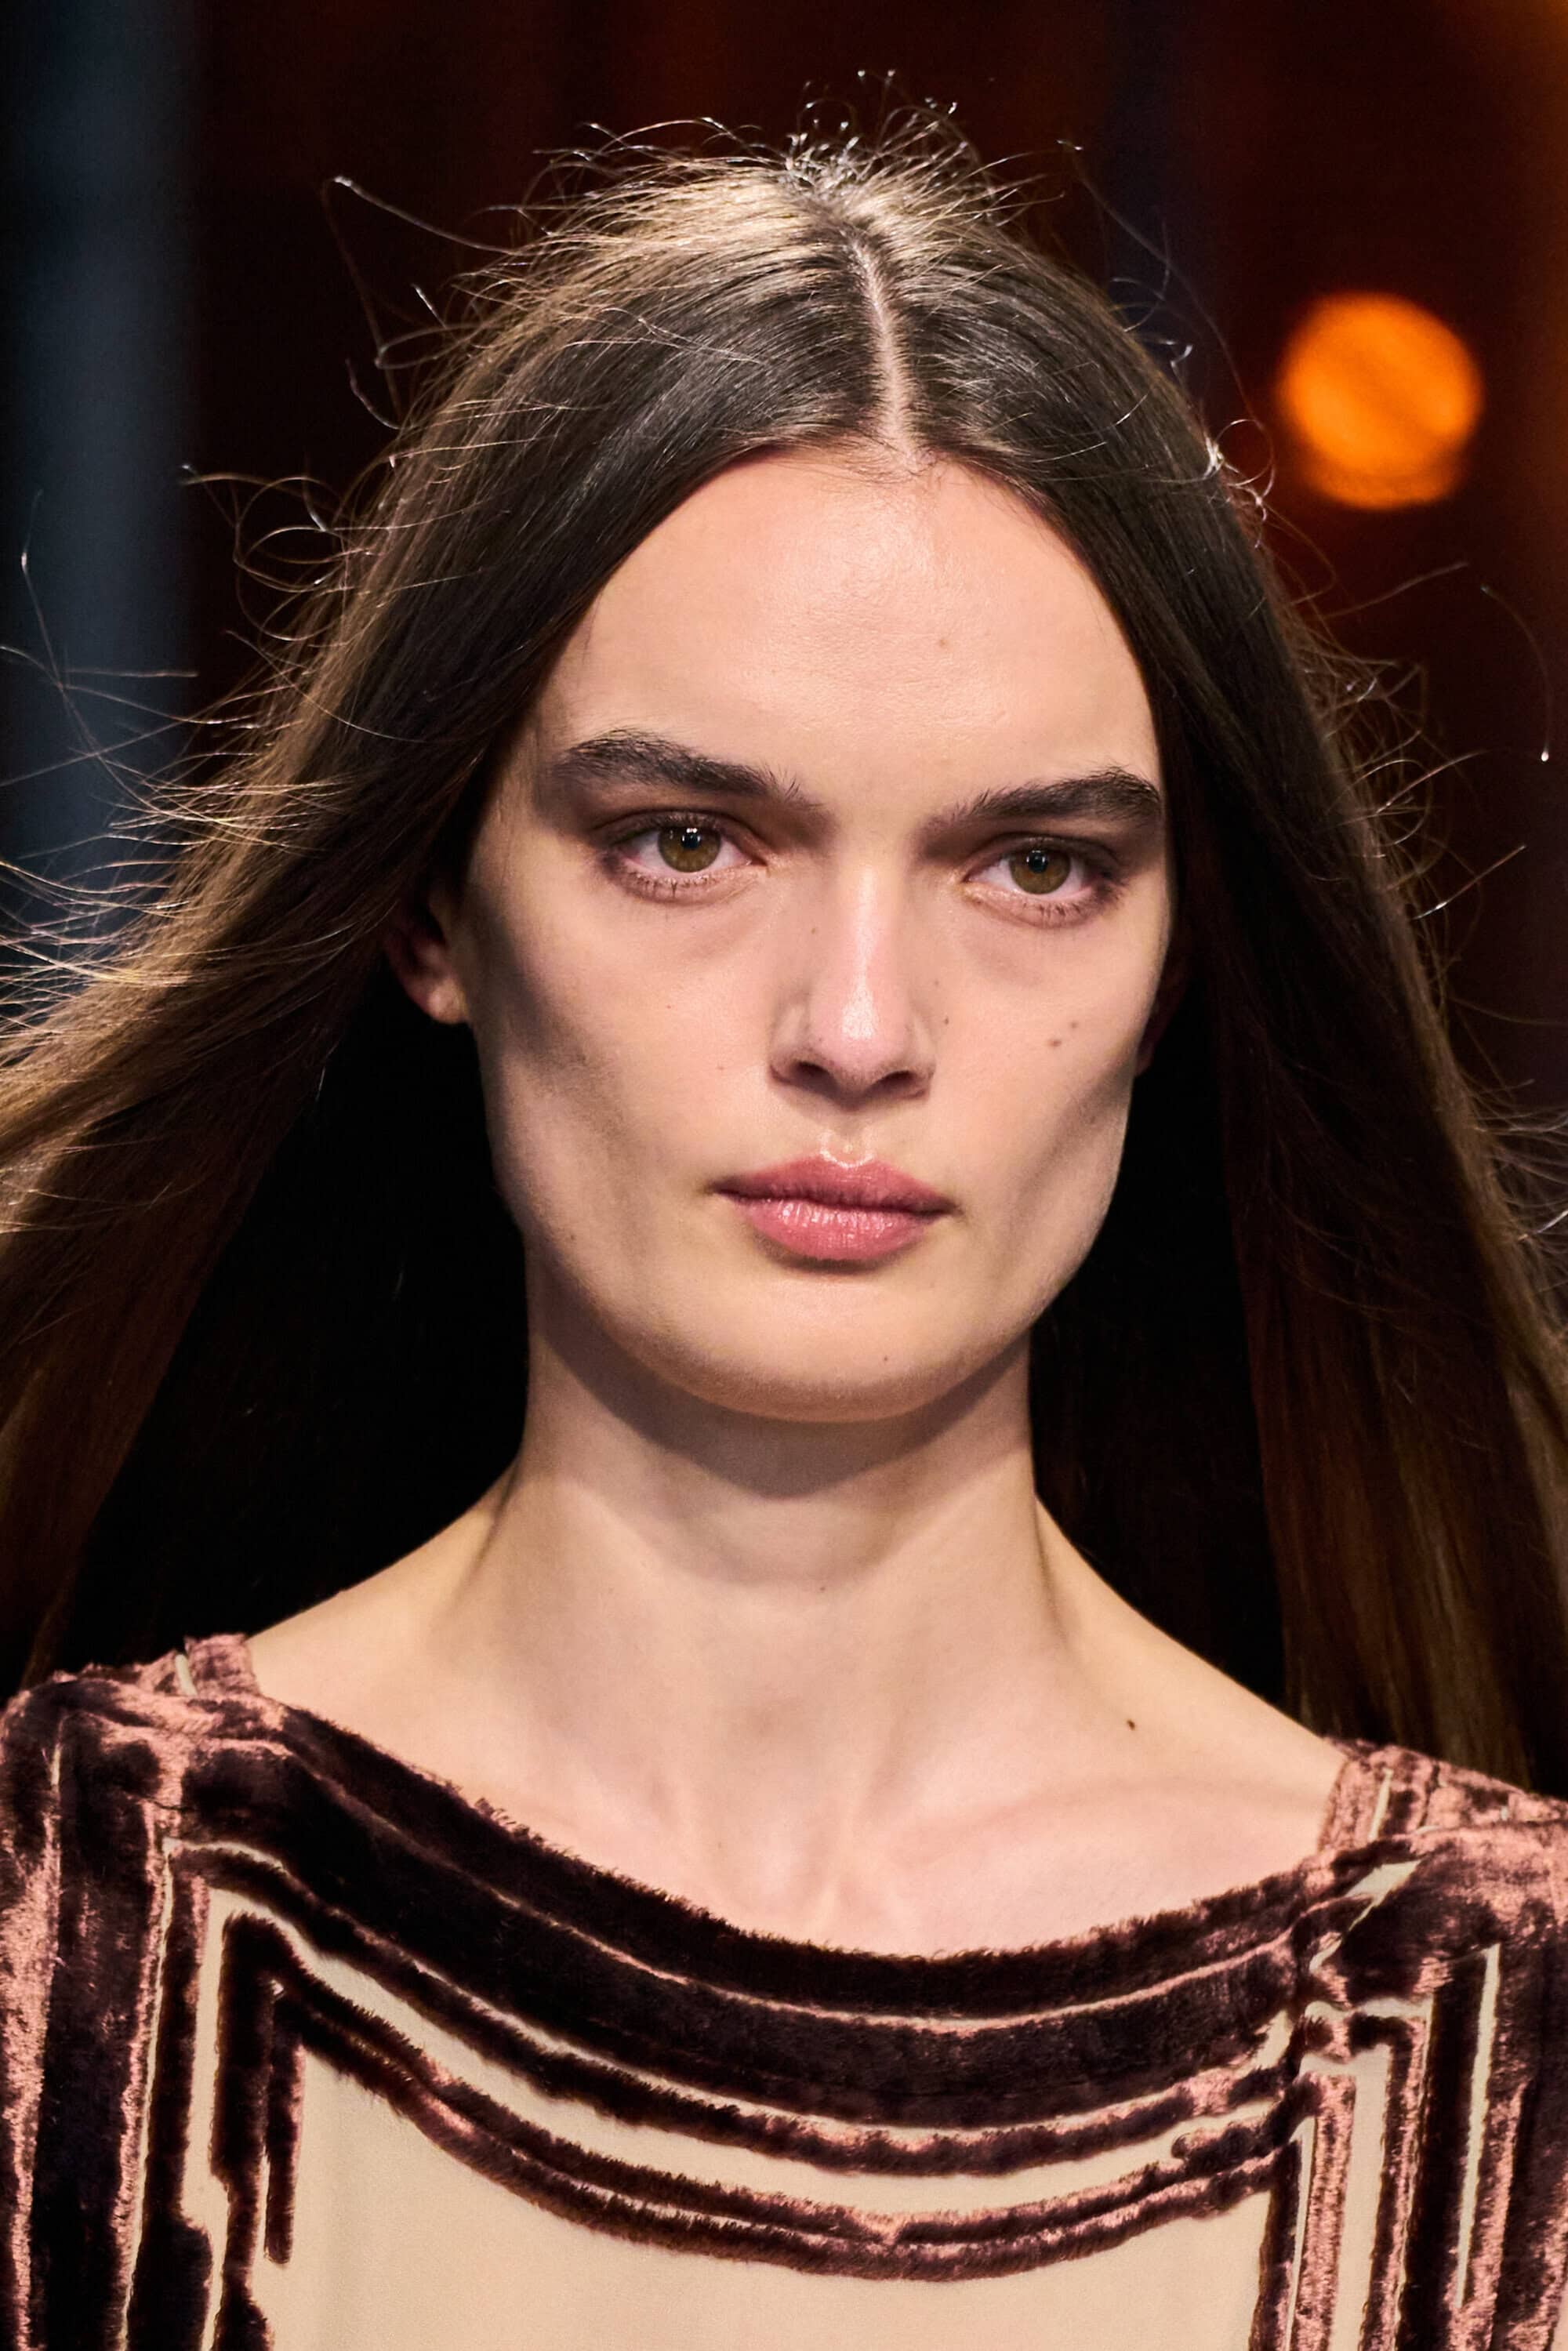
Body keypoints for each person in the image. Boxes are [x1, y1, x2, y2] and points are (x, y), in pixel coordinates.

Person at [2, 118, 1567, 2350]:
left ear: (1183, 962)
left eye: (1035, 867)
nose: (857, 1029)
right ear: (433, 901)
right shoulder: (61, 1932)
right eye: (685, 840)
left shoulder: (1511, 2035)